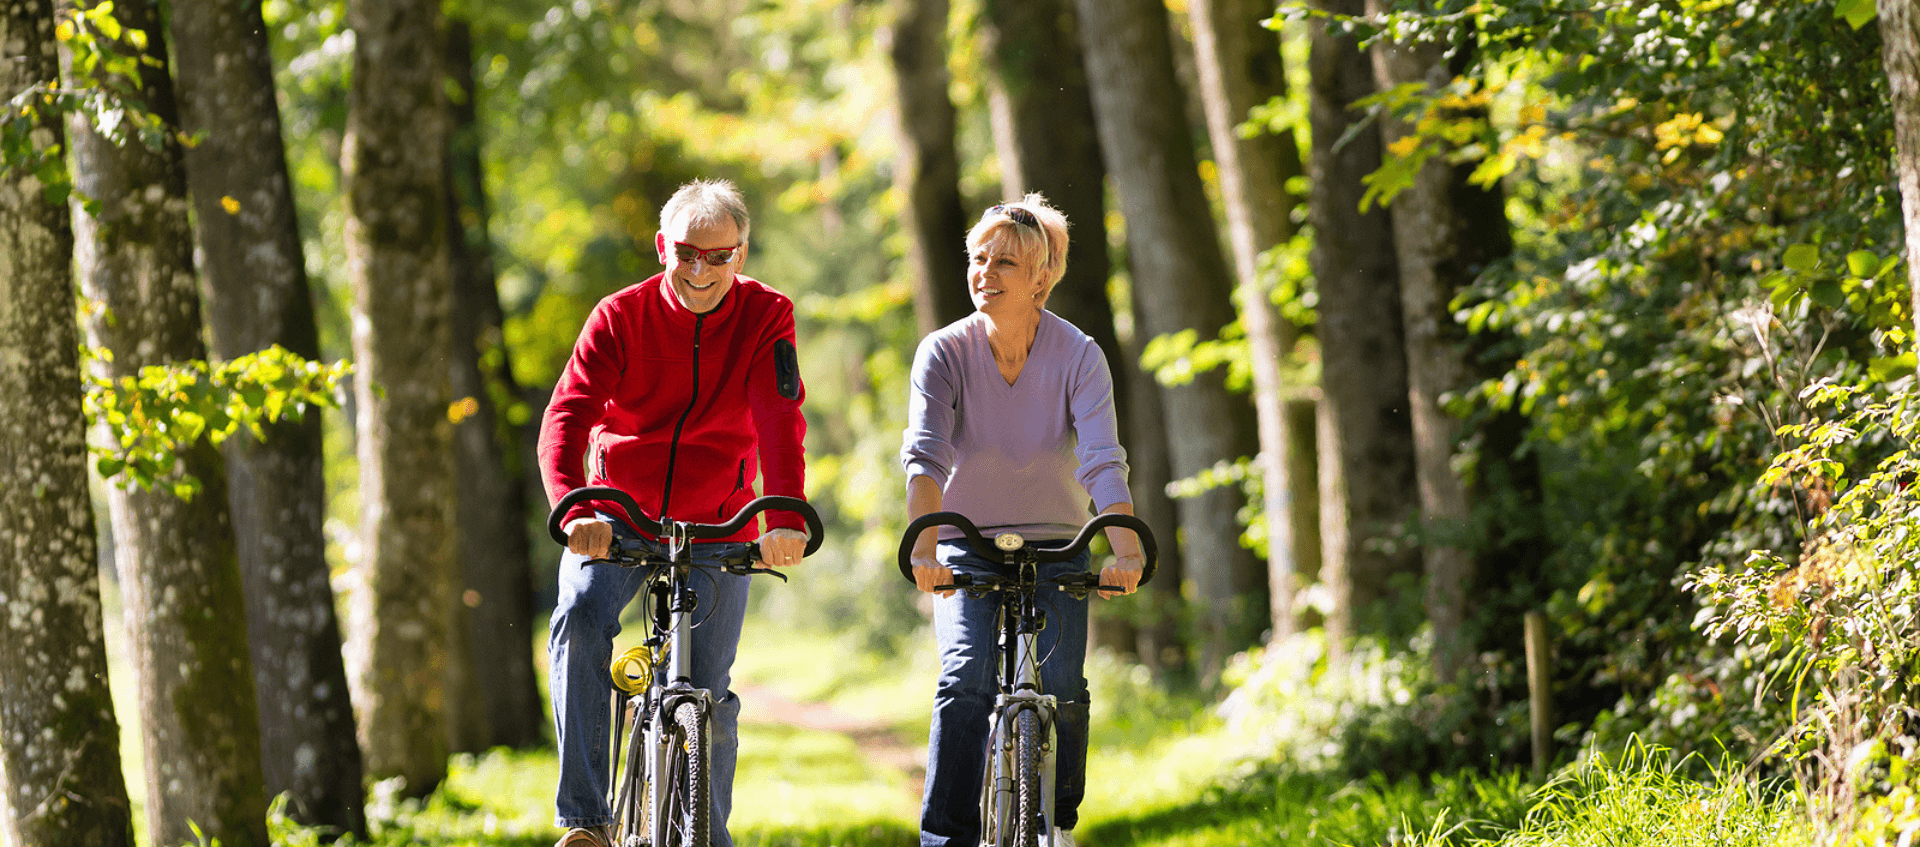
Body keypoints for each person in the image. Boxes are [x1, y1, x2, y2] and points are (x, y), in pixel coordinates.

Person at [539, 178, 810, 847]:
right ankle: (585, 819)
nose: (701, 270)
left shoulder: (766, 314)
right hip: (617, 513)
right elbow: (566, 417)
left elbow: (780, 417)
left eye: (719, 256)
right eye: (688, 253)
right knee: (580, 617)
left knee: (708, 696)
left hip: (718, 520)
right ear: (664, 247)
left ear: (740, 255)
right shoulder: (619, 316)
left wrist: (785, 514)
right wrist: (573, 507)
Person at [899, 194, 1147, 847]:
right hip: (966, 546)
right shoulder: (943, 352)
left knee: (1063, 684)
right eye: (978, 258)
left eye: (1003, 261)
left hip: (1060, 544)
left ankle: (1056, 819)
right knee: (965, 676)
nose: (985, 271)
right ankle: (945, 837)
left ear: (1041, 276)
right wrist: (924, 545)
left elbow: (1101, 461)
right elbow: (925, 456)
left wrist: (1125, 547)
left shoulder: (1079, 355)